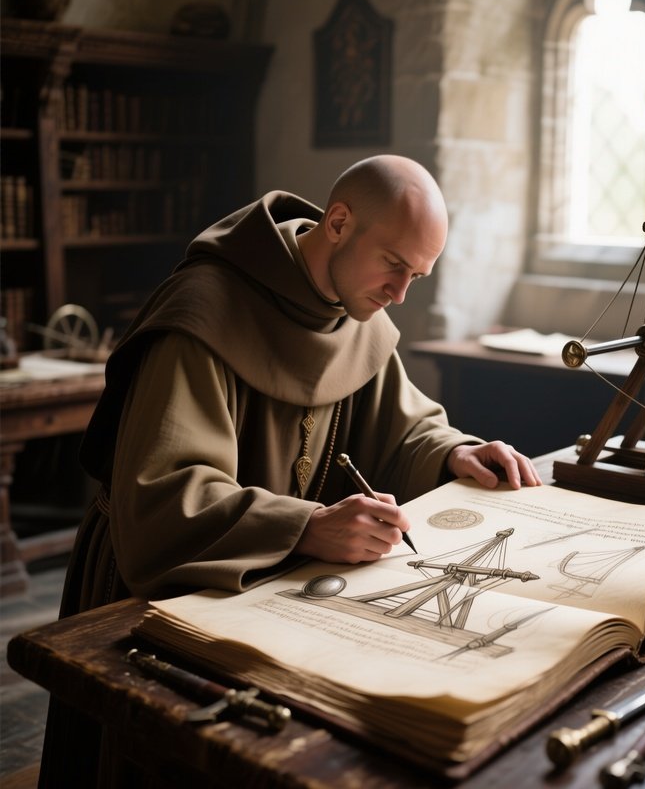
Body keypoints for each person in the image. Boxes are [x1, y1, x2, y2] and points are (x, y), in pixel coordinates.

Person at [40, 154, 542, 787]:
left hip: (272, 592)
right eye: (394, 264)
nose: (401, 293)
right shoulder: (203, 313)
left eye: (419, 274)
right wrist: (308, 527)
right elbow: (165, 498)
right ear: (337, 223)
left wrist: (453, 452)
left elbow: (404, 426)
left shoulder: (358, 311)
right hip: (155, 595)